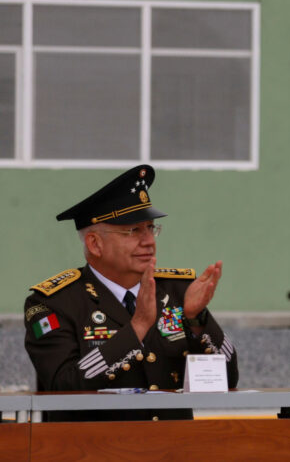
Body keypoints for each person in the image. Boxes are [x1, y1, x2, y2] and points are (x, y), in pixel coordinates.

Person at [23, 165, 238, 422]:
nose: (149, 241)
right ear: (95, 244)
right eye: (133, 231)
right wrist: (136, 329)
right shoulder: (54, 302)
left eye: (151, 228)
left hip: (173, 448)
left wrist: (196, 319)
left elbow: (228, 376)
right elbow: (62, 385)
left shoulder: (176, 291)